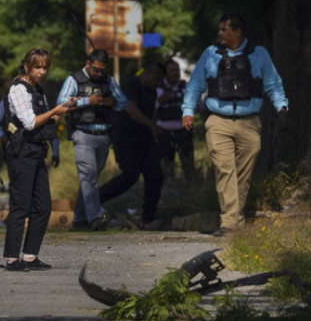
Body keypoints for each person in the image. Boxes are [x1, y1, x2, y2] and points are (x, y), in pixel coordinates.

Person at [182, 13, 288, 236]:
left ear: (237, 32)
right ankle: (230, 223)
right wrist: (188, 111)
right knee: (224, 169)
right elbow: (194, 86)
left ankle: (235, 218)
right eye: (219, 29)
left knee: (243, 174)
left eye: (224, 29)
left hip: (249, 123)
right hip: (217, 122)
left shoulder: (259, 55)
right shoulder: (210, 54)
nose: (219, 33)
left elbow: (273, 83)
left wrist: (281, 105)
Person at [1, 49, 75, 271]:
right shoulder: (18, 89)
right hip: (21, 153)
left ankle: (30, 255)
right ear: (26, 66)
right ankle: (12, 258)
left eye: (44, 67)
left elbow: (44, 120)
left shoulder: (37, 90)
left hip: (36, 151)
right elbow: (30, 122)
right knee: (20, 206)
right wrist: (53, 110)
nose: (42, 71)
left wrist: (61, 112)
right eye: (37, 67)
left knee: (43, 205)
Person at [57, 49, 128, 230]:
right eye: (96, 70)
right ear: (88, 64)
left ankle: (80, 219)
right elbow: (62, 103)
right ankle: (96, 218)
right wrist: (88, 101)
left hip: (103, 136)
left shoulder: (108, 80)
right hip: (83, 135)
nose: (98, 74)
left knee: (90, 179)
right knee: (88, 177)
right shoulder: (74, 80)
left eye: (102, 70)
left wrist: (110, 102)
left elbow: (124, 102)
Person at [97, 63, 167, 230]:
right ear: (149, 74)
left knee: (155, 174)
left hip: (145, 139)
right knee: (130, 176)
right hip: (126, 138)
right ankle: (94, 201)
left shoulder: (152, 90)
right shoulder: (132, 84)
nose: (158, 84)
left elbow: (149, 112)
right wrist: (152, 126)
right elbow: (131, 109)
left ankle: (148, 217)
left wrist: (153, 128)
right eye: (157, 79)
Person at [156, 59, 195, 182]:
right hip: (164, 132)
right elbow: (148, 109)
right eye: (172, 70)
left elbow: (199, 106)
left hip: (184, 131)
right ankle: (169, 190)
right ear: (165, 73)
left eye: (177, 70)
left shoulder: (186, 86)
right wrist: (159, 101)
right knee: (166, 165)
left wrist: (189, 101)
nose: (175, 73)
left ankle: (190, 189)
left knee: (188, 164)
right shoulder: (157, 88)